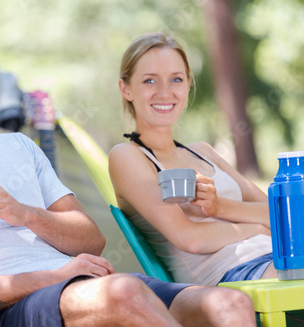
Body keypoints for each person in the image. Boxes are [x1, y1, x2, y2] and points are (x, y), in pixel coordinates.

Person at [0, 8, 256, 327]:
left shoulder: (18, 147)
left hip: (80, 286)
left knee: (230, 305)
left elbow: (90, 240)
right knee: (123, 293)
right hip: (9, 311)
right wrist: (52, 276)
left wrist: (25, 214)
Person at [109, 32, 275, 287]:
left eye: (176, 79)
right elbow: (190, 239)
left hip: (278, 260)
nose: (165, 92)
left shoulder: (203, 151)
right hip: (232, 274)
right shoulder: (128, 157)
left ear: (187, 85)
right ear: (126, 88)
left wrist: (221, 207)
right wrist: (257, 228)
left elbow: (279, 215)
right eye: (150, 81)